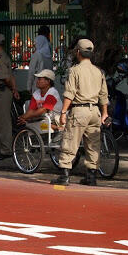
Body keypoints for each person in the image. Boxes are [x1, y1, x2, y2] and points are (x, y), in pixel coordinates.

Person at [52, 39, 109, 187]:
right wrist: (105, 113)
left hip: (79, 110)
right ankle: (91, 176)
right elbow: (104, 95)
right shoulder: (99, 71)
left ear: (78, 52)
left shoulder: (74, 70)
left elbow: (69, 93)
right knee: (93, 144)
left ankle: (64, 175)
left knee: (70, 142)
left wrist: (63, 112)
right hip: (95, 111)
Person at [0, 32, 20, 161]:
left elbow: (5, 77)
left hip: (1, 92)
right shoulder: (3, 56)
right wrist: (14, 89)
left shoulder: (0, 58)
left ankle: (6, 149)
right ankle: (5, 147)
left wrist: (12, 88)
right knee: (3, 121)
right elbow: (10, 75)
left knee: (3, 122)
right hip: (3, 91)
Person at [27, 26, 53, 93]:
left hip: (37, 88)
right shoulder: (49, 55)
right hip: (48, 88)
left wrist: (29, 87)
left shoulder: (37, 55)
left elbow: (31, 72)